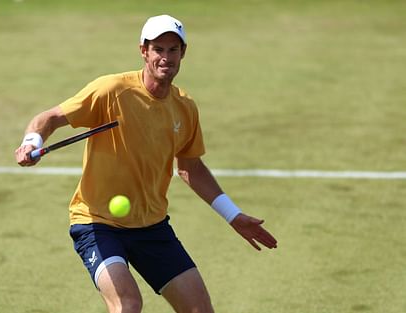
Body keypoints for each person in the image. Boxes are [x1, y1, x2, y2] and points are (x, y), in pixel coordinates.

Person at [15, 14, 277, 313]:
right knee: (128, 305)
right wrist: (31, 143)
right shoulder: (111, 90)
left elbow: (190, 167)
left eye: (173, 50)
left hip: (152, 227)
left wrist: (233, 215)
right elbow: (49, 119)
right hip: (97, 223)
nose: (166, 57)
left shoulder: (185, 107)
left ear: (183, 53)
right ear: (144, 51)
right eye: (158, 49)